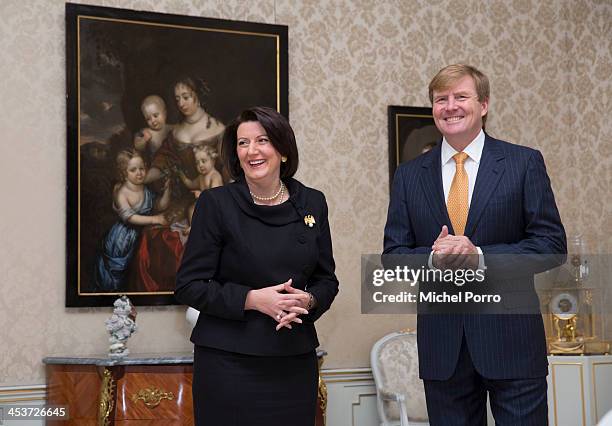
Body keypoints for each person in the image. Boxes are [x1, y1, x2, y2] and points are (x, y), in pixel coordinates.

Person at [383, 64, 566, 425]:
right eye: (441, 99)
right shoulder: (408, 176)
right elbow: (393, 258)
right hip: (443, 349)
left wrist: (479, 256)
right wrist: (435, 261)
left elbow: (550, 244)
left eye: (461, 97)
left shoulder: (523, 162)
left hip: (511, 342)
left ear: (483, 105)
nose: (450, 106)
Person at [175, 106, 339, 426]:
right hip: (228, 365)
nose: (252, 151)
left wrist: (309, 301)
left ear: (283, 149)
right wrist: (252, 300)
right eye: (242, 143)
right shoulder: (216, 204)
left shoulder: (312, 202)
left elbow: (326, 280)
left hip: (293, 362)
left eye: (262, 140)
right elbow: (189, 285)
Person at [95, 150, 170, 291]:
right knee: (118, 273)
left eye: (141, 168)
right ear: (124, 173)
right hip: (122, 239)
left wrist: (167, 190)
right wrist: (154, 219)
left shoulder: (145, 188)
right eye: (133, 170)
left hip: (140, 235)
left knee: (137, 269)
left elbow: (158, 205)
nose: (139, 173)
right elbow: (129, 217)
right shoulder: (123, 192)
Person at [133, 95, 173, 160]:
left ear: (165, 113)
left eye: (155, 116)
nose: (153, 120)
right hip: (156, 164)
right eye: (148, 119)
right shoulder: (146, 132)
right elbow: (137, 146)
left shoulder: (172, 128)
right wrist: (144, 139)